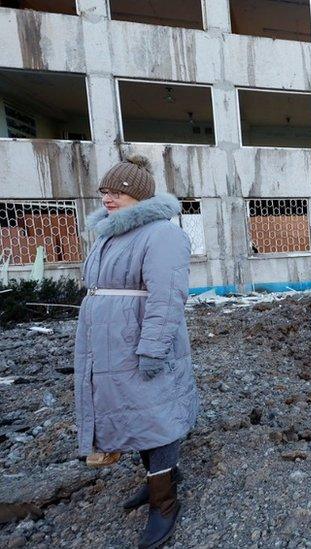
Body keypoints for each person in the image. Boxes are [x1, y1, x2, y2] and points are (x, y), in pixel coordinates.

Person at [74, 154, 199, 549]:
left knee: (156, 414)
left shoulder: (161, 234)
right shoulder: (111, 233)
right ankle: (155, 482)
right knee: (135, 411)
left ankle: (165, 503)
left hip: (140, 340)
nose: (108, 198)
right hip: (110, 342)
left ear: (140, 195)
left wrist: (153, 349)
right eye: (105, 191)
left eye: (118, 192)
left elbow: (167, 297)